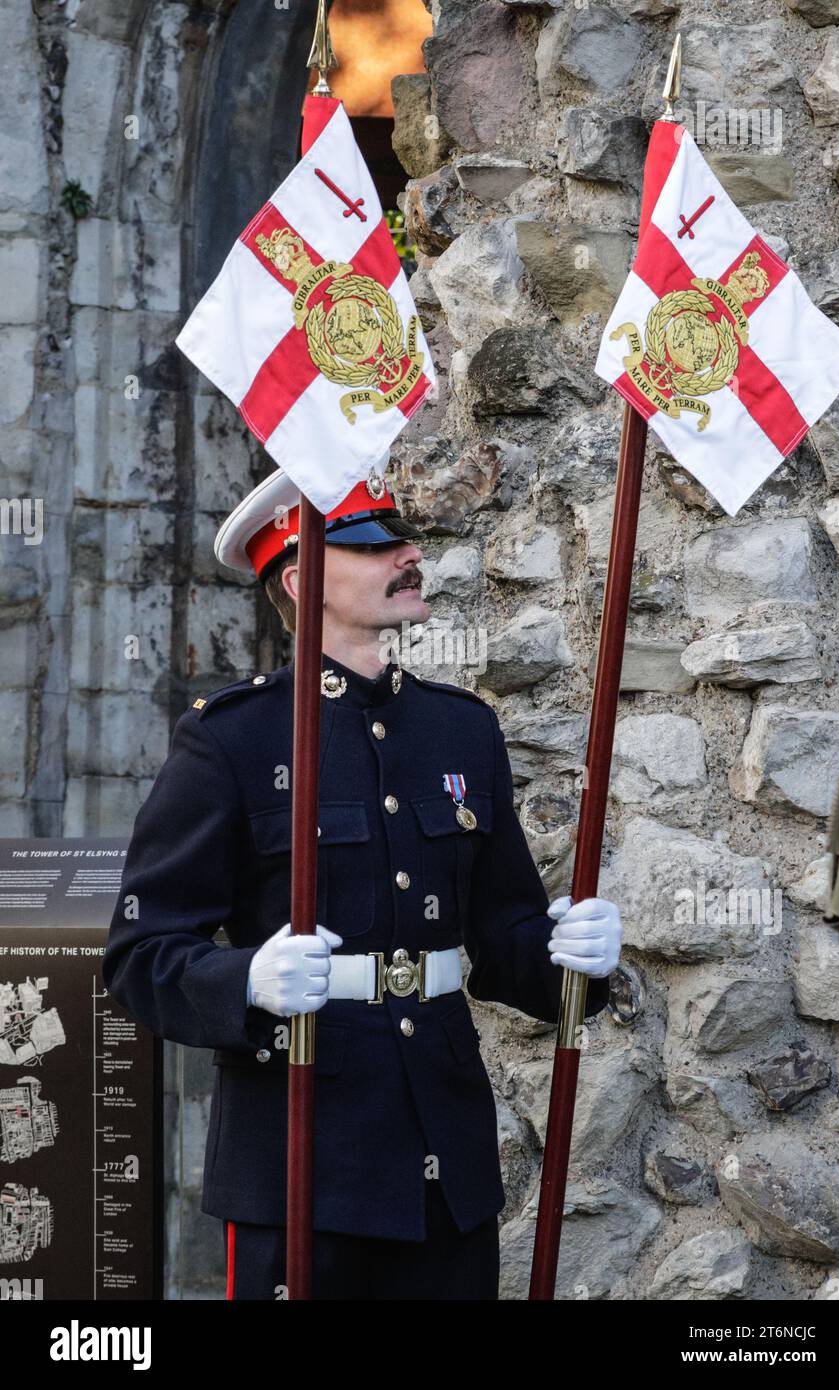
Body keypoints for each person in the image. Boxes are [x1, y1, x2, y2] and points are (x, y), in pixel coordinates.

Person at [102, 464, 623, 1300]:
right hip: (303, 1160)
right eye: (376, 544)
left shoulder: (463, 731)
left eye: (405, 539)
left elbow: (502, 944)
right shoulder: (231, 742)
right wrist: (245, 981)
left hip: (445, 1162)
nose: (409, 553)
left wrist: (574, 961)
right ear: (305, 576)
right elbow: (139, 956)